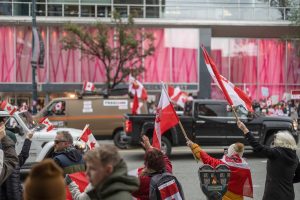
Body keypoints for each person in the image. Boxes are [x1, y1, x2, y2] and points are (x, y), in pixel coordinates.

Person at [237, 120, 299, 200]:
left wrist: (244, 129)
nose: (274, 143)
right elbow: (299, 176)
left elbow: (258, 146)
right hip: (289, 195)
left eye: (275, 141)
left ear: (281, 142)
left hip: (273, 195)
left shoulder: (276, 153)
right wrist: (286, 181)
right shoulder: (295, 157)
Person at [187, 140, 253, 200]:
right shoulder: (245, 168)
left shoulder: (222, 164)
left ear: (230, 151)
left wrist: (193, 145)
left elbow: (206, 158)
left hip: (223, 196)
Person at [132, 135, 175, 200]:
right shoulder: (168, 170)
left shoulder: (142, 180)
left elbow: (130, 191)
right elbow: (164, 157)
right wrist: (149, 147)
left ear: (146, 163)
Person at [0, 130, 33, 200]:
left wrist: (28, 139)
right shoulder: (10, 164)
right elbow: (13, 192)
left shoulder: (9, 160)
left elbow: (23, 156)